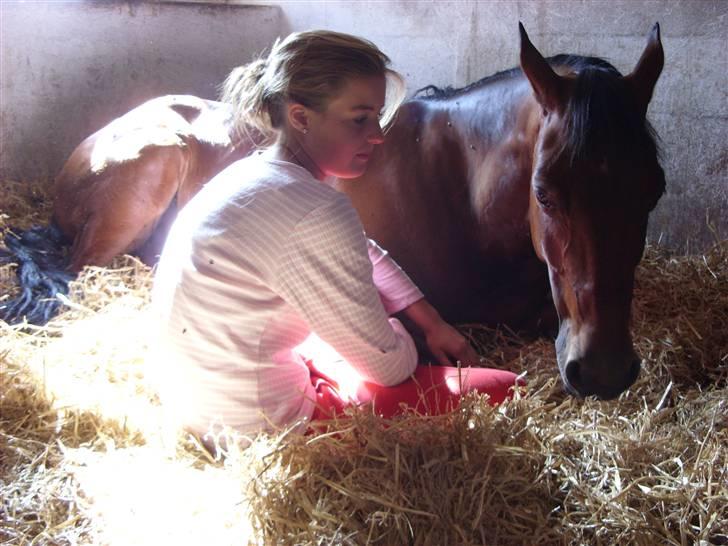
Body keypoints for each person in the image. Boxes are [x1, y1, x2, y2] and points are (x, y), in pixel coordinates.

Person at [152, 30, 520, 451]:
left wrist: (430, 320)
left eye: (378, 116)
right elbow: (389, 368)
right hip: (265, 428)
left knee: (332, 332)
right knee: (502, 387)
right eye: (360, 119)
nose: (378, 134)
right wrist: (397, 329)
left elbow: (364, 250)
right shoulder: (317, 211)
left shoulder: (250, 175)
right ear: (301, 117)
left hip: (200, 400)